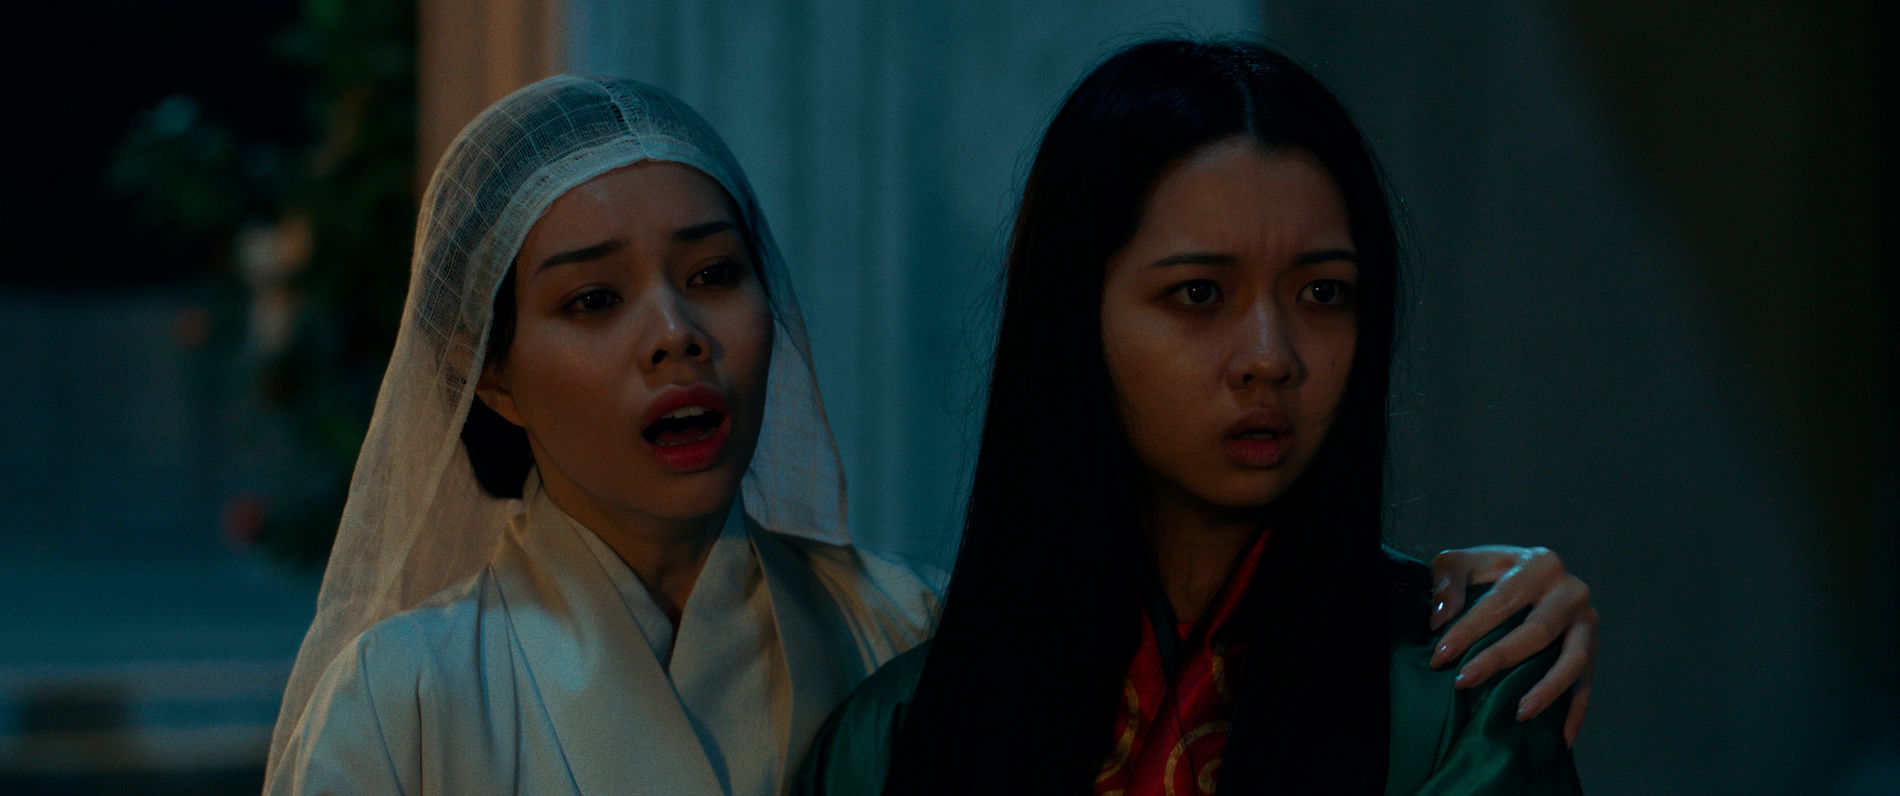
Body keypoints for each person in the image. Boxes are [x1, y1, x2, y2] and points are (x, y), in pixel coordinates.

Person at [266, 75, 1594, 795]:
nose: (674, 335)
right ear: (487, 376)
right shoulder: (407, 696)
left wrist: (1471, 587)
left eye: (715, 275)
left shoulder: (908, 632)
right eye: (591, 301)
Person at [793, 40, 1586, 796]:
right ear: (1070, 313)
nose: (1270, 356)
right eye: (1199, 293)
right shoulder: (896, 735)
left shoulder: (1463, 695)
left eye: (1323, 293)